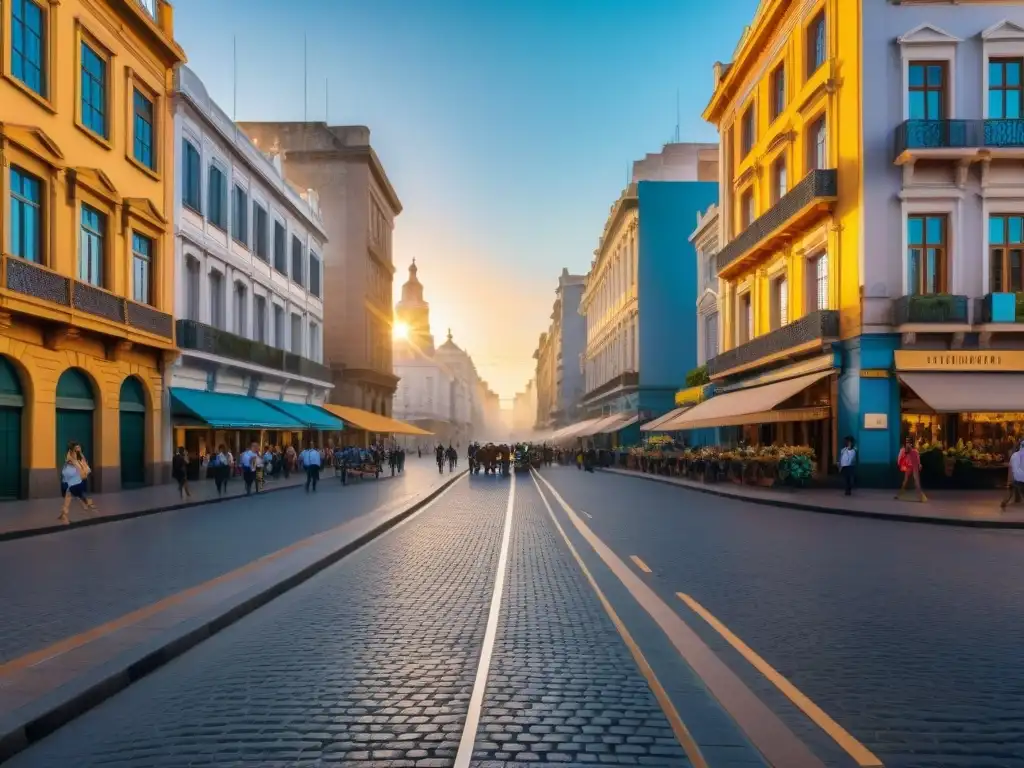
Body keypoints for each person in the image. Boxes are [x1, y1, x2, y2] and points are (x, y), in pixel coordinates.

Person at [58, 442, 96, 524]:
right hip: (72, 480)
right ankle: (64, 514)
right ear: (73, 449)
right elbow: (70, 466)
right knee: (71, 495)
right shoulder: (70, 457)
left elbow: (85, 467)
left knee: (78, 496)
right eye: (77, 448)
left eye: (79, 448)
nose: (79, 449)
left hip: (79, 479)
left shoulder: (81, 457)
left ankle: (88, 507)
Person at [895, 437, 927, 502]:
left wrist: (919, 464)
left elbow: (917, 459)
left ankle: (921, 497)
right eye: (907, 442)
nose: (908, 444)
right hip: (909, 467)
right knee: (905, 481)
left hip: (914, 467)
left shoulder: (914, 451)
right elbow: (900, 458)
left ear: (911, 443)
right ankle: (899, 494)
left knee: (916, 482)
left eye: (909, 442)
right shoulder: (904, 450)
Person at [1000, 438, 1024, 509]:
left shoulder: (1014, 456)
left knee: (1011, 491)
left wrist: (1009, 481)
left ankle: (1005, 502)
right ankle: (1008, 501)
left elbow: (1010, 468)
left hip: (1016, 478)